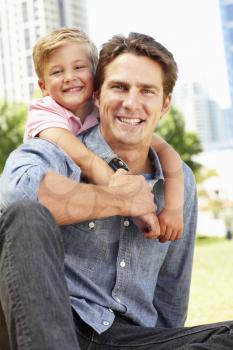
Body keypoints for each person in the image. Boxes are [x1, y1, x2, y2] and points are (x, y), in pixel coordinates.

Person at [0, 32, 232, 350]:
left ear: (165, 104)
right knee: (25, 214)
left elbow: (170, 296)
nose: (131, 102)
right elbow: (13, 204)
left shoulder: (178, 181)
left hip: (130, 340)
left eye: (147, 91)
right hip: (57, 326)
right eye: (119, 87)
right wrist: (118, 198)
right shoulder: (54, 147)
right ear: (97, 95)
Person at [24, 27, 184, 241]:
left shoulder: (98, 107)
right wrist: (133, 200)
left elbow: (166, 151)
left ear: (93, 77)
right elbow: (85, 159)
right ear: (43, 86)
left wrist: (173, 207)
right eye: (57, 72)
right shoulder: (44, 114)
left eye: (79, 67)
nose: (69, 77)